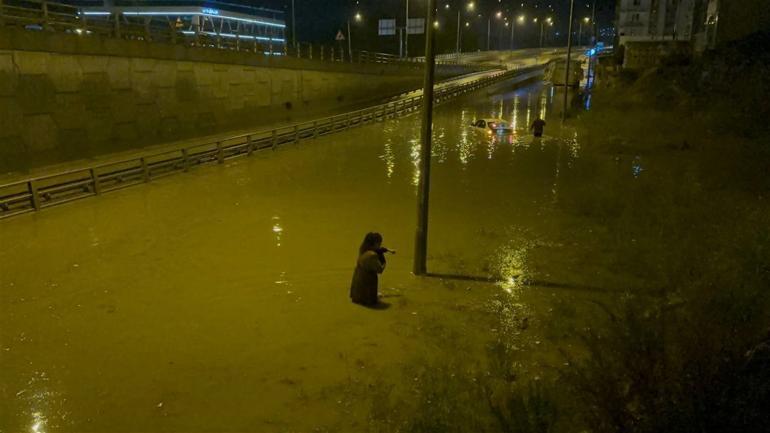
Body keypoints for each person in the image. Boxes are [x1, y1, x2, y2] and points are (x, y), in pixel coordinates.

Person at [350, 232, 388, 306]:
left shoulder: (362, 249)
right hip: (367, 281)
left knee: (359, 298)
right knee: (368, 301)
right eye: (379, 243)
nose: (380, 245)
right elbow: (380, 269)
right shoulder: (372, 255)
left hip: (358, 276)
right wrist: (382, 257)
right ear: (375, 243)